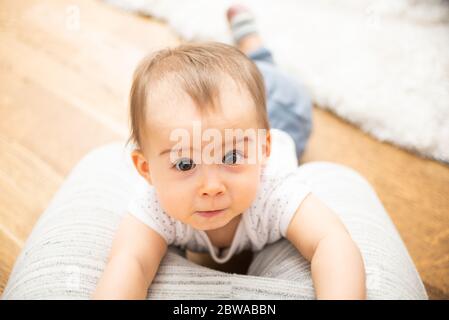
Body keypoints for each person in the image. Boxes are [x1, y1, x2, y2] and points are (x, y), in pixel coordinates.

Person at [93, 5, 365, 299]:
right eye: (185, 164)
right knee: (244, 88)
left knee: (266, 72)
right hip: (240, 114)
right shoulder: (155, 205)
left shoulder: (272, 189)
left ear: (263, 151)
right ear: (146, 170)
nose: (211, 187)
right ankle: (248, 45)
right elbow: (129, 262)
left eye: (231, 158)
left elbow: (332, 240)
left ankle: (252, 42)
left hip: (282, 106)